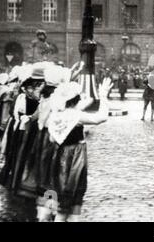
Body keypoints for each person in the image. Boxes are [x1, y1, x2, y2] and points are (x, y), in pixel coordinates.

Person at [47, 78, 112, 222]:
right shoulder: (75, 116)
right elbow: (101, 118)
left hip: (59, 157)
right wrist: (103, 96)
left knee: (59, 193)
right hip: (75, 158)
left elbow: (52, 139)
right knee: (75, 193)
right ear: (75, 100)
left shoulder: (56, 115)